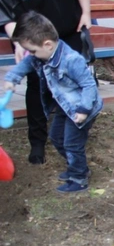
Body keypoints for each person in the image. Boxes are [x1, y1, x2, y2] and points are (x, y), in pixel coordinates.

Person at [0, 0, 95, 165]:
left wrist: (86, 13)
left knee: (73, 84)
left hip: (69, 33)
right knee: (37, 86)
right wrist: (19, 43)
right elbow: (5, 14)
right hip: (35, 41)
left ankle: (75, 134)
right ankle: (37, 142)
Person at [4, 12, 102, 192]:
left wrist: (84, 110)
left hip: (82, 108)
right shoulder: (43, 54)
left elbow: (89, 85)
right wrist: (12, 78)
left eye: (32, 51)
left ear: (47, 44)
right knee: (56, 137)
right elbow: (26, 63)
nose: (32, 55)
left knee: (72, 144)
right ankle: (78, 167)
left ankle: (79, 178)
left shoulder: (72, 60)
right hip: (66, 106)